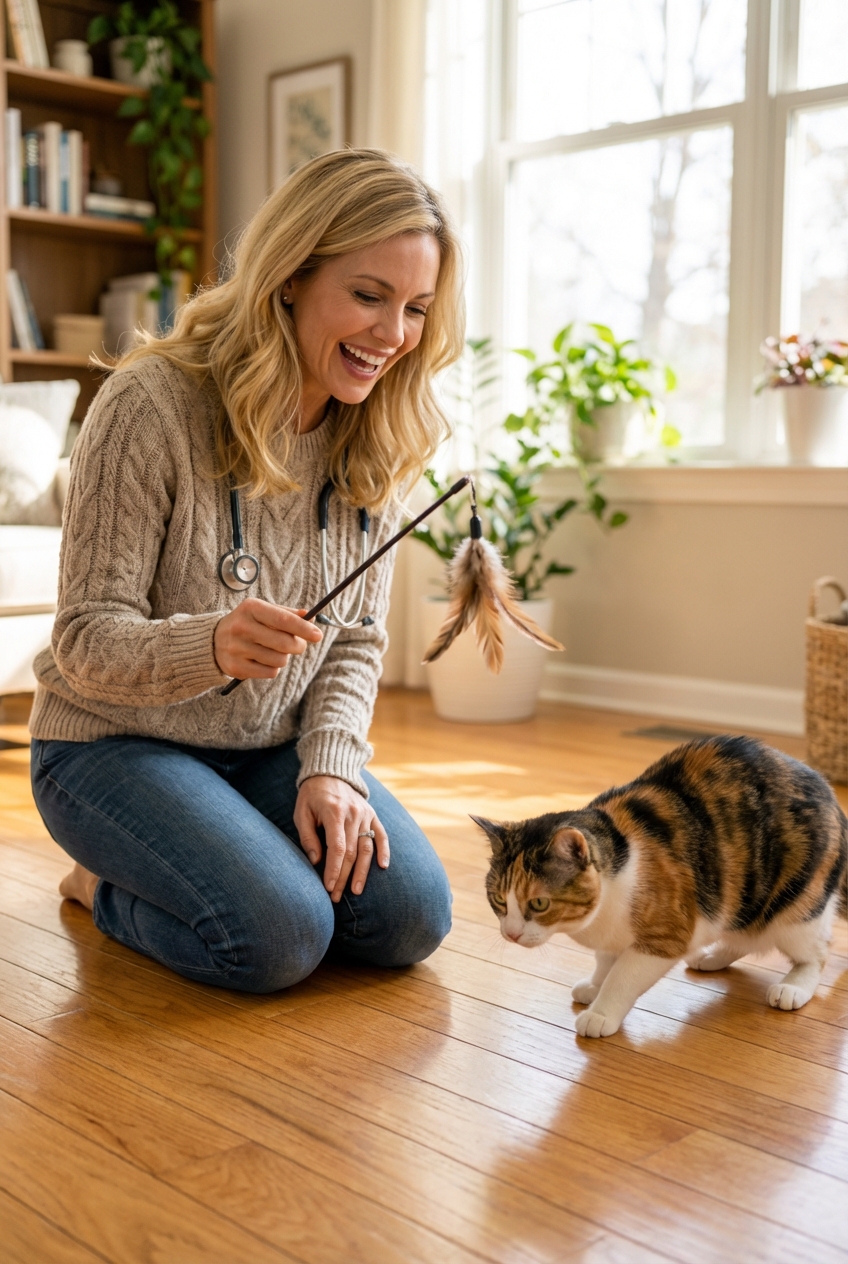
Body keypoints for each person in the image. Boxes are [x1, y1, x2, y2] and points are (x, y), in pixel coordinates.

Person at [29, 149, 464, 993]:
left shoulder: (378, 428)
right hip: (113, 745)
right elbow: (83, 642)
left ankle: (231, 853)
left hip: (269, 744)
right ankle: (101, 887)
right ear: (291, 275)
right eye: (369, 296)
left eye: (415, 308)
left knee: (410, 917)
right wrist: (211, 646)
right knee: (279, 936)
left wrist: (332, 765)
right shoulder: (150, 403)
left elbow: (358, 640)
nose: (393, 336)